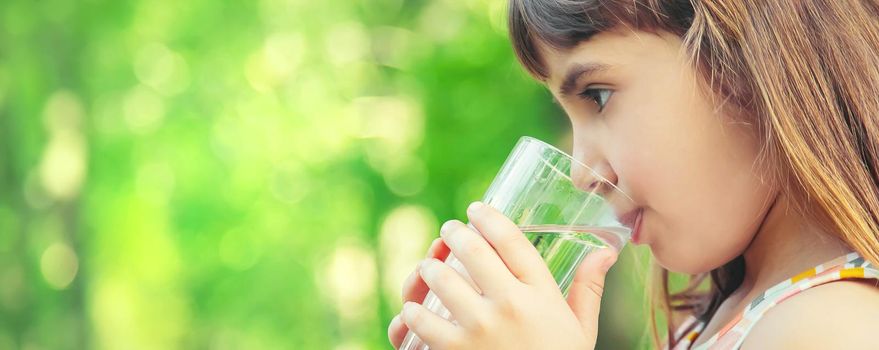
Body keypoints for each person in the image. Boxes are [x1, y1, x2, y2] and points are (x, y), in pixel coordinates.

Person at [388, 1, 879, 348]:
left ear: (745, 53)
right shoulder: (725, 313)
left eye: (597, 96)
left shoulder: (835, 326)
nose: (583, 173)